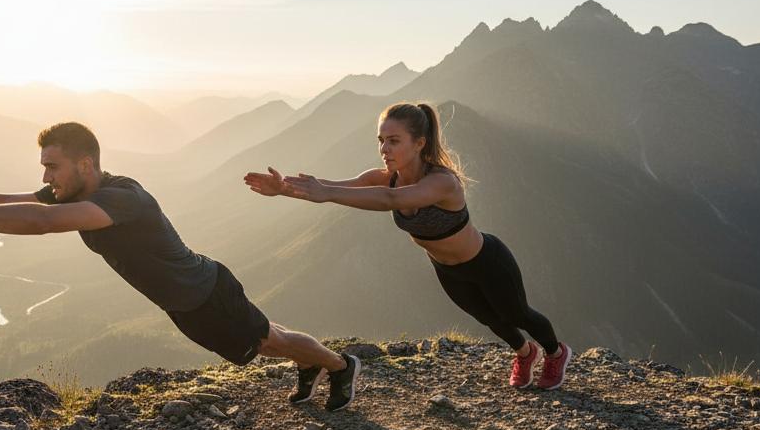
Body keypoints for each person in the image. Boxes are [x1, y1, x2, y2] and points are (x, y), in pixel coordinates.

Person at [0, 122, 362, 410]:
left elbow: (42, 222)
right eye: (44, 166)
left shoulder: (120, 199)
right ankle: (309, 361)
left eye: (52, 166)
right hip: (184, 303)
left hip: (208, 292)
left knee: (265, 340)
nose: (45, 176)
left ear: (85, 165)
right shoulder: (77, 188)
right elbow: (16, 199)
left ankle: (339, 365)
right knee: (260, 343)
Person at [244, 102, 571, 390]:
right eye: (381, 141)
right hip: (447, 269)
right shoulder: (383, 176)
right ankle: (526, 354)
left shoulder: (442, 182)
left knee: (517, 313)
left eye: (394, 141)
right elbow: (327, 187)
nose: (385, 149)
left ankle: (556, 353)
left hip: (487, 262)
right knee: (490, 319)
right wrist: (283, 188)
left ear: (419, 143)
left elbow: (390, 199)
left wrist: (325, 193)